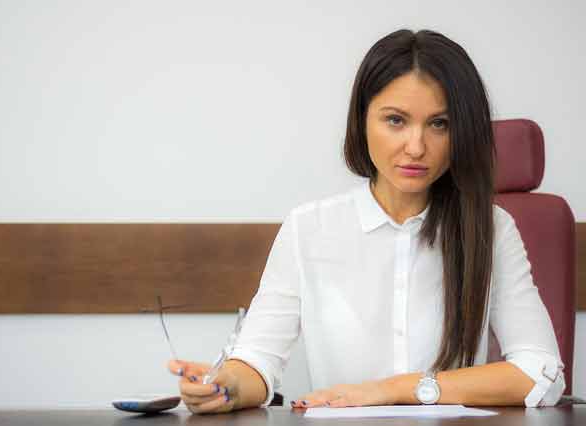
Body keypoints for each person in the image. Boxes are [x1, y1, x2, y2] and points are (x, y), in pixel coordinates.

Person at [167, 28, 565, 414]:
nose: (416, 147)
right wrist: (226, 386)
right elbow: (257, 360)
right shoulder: (308, 228)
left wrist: (392, 390)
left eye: (439, 124)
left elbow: (541, 373)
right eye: (395, 120)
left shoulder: (492, 230)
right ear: (362, 120)